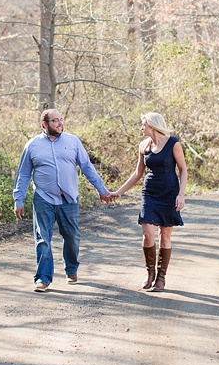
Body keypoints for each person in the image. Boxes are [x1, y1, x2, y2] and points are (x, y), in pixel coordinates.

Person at [14, 109, 115, 292]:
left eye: (61, 120)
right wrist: (18, 199)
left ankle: (71, 268)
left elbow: (87, 167)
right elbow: (23, 174)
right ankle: (43, 278)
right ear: (44, 124)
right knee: (42, 238)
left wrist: (102, 190)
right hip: (43, 198)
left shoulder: (73, 141)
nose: (60, 123)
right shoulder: (32, 146)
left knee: (72, 237)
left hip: (68, 198)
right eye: (55, 121)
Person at [113, 112, 187, 292]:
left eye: (143, 124)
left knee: (165, 235)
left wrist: (181, 194)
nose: (141, 128)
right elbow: (138, 173)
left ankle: (161, 279)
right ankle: (150, 274)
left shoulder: (173, 143)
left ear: (153, 125)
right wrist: (119, 192)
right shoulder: (143, 146)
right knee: (147, 234)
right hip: (150, 193)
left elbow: (183, 169)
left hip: (169, 192)